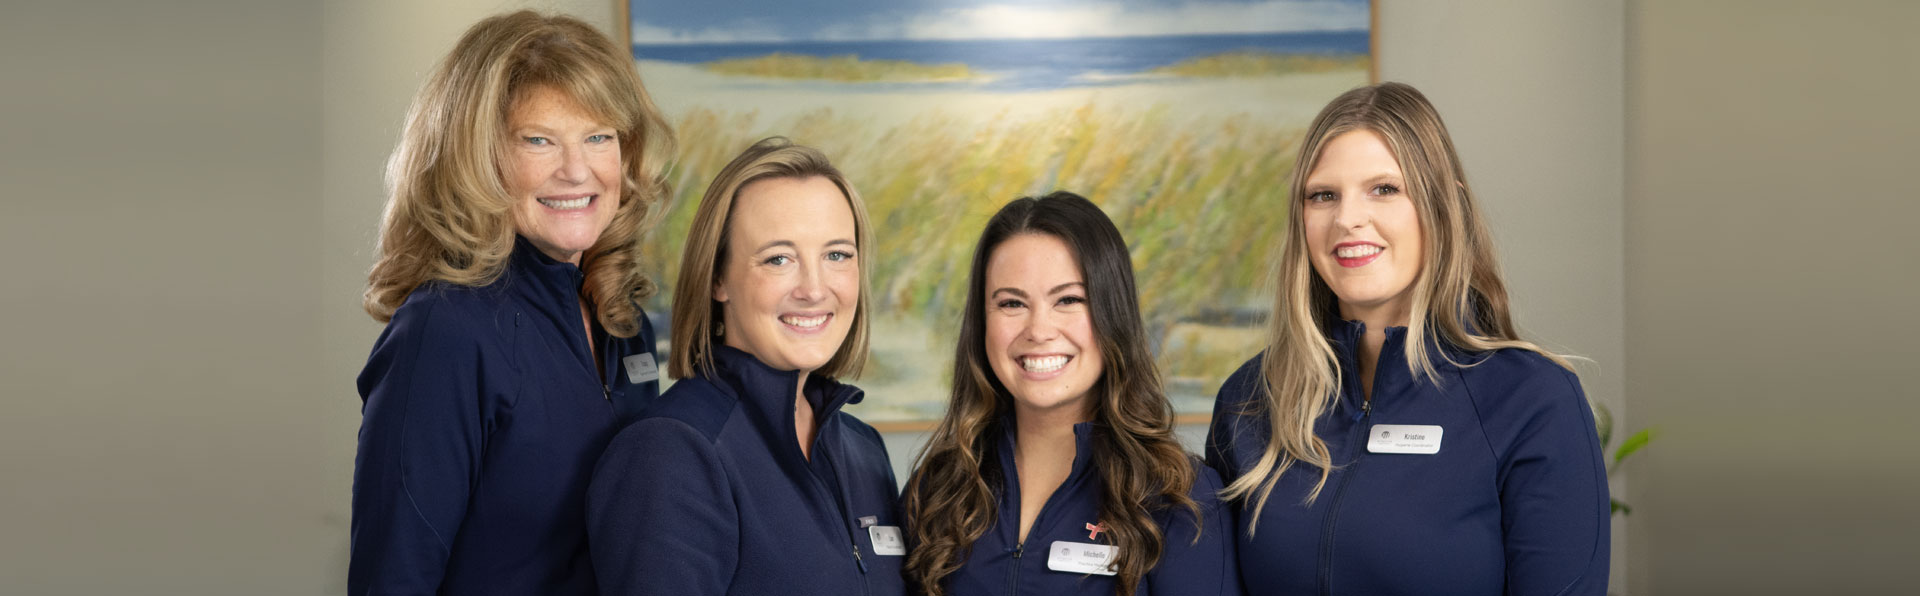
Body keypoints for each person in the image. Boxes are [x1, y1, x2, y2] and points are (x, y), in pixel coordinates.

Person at [1204, 82, 1610, 595]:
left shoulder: (1533, 399)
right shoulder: (1249, 400)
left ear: (1446, 207)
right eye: (1323, 195)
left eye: (1384, 189)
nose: (1347, 218)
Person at [350, 11, 675, 594]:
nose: (577, 171)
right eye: (538, 140)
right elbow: (394, 577)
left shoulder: (622, 322)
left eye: (599, 137)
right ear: (476, 157)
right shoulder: (445, 331)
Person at [587, 138, 905, 596]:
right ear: (718, 278)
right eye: (779, 258)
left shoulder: (863, 450)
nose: (814, 289)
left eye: (837, 254)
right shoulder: (671, 452)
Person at [903, 192, 1241, 596]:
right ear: (982, 323)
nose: (1039, 330)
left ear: (1111, 314)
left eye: (1068, 300)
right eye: (1011, 303)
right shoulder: (937, 489)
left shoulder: (1182, 499)